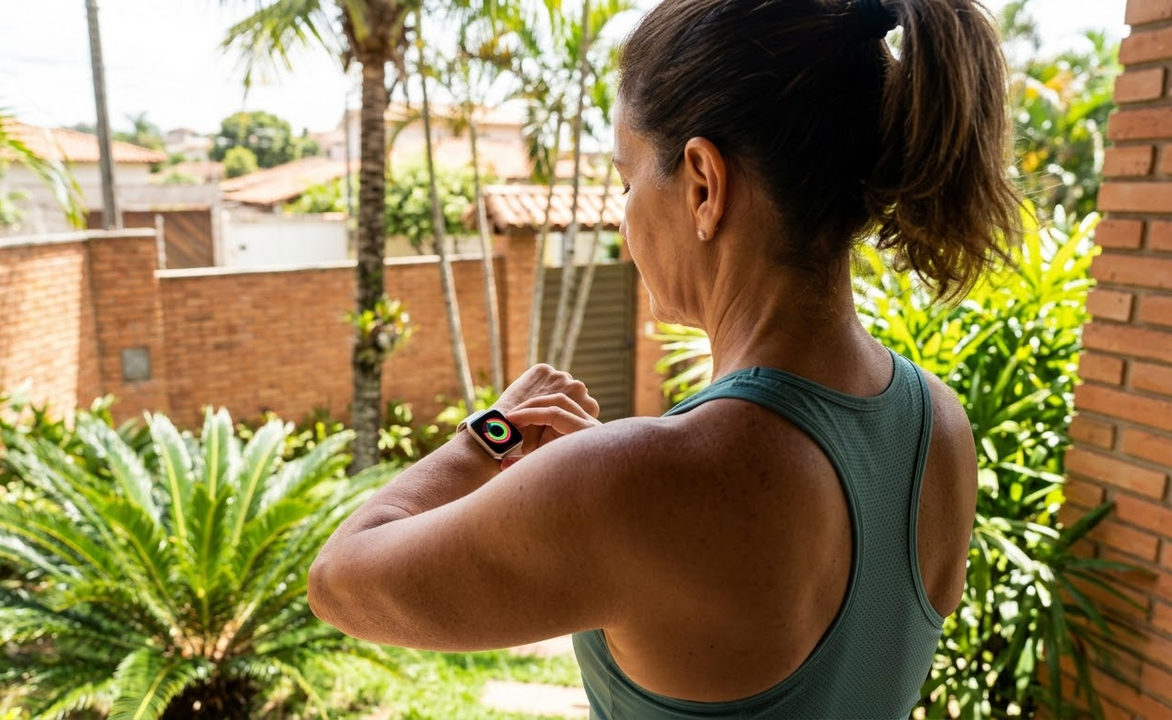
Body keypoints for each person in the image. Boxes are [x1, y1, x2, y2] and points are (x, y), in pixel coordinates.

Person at [309, 0, 1020, 716]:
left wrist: (492, 433)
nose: (623, 218)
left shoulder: (632, 484)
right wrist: (610, 477)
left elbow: (341, 580)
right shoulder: (939, 427)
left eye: (627, 180)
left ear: (704, 185)